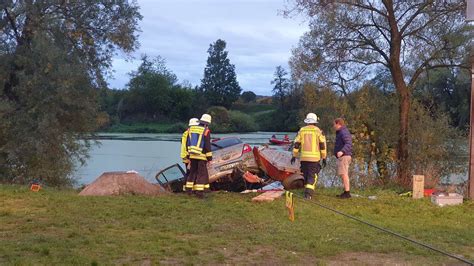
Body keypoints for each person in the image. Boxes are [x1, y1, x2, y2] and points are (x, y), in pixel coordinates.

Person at [291, 113, 327, 199]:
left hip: (304, 158)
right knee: (312, 176)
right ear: (315, 122)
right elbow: (322, 145)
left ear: (307, 121)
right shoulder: (319, 131)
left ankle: (307, 193)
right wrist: (324, 157)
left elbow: (296, 144)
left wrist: (294, 155)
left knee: (306, 175)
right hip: (314, 159)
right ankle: (308, 195)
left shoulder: (302, 130)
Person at [186, 114, 213, 198]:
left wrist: (188, 156)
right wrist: (209, 158)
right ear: (207, 123)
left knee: (192, 172)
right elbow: (207, 146)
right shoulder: (206, 131)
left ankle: (188, 190)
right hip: (201, 156)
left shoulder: (191, 129)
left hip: (192, 155)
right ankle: (199, 193)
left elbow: (187, 143)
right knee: (201, 174)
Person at [333, 118, 353, 199]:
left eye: (334, 124)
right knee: (343, 174)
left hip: (344, 156)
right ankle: (346, 192)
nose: (333, 126)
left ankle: (347, 193)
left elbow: (348, 143)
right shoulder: (341, 132)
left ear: (338, 124)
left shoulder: (343, 132)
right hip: (343, 156)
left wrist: (342, 151)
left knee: (344, 174)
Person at [180, 118, 200, 192]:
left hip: (185, 155)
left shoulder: (186, 133)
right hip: (189, 156)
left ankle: (186, 188)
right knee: (191, 173)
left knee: (188, 173)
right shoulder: (191, 134)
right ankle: (189, 189)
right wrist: (190, 158)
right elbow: (189, 146)